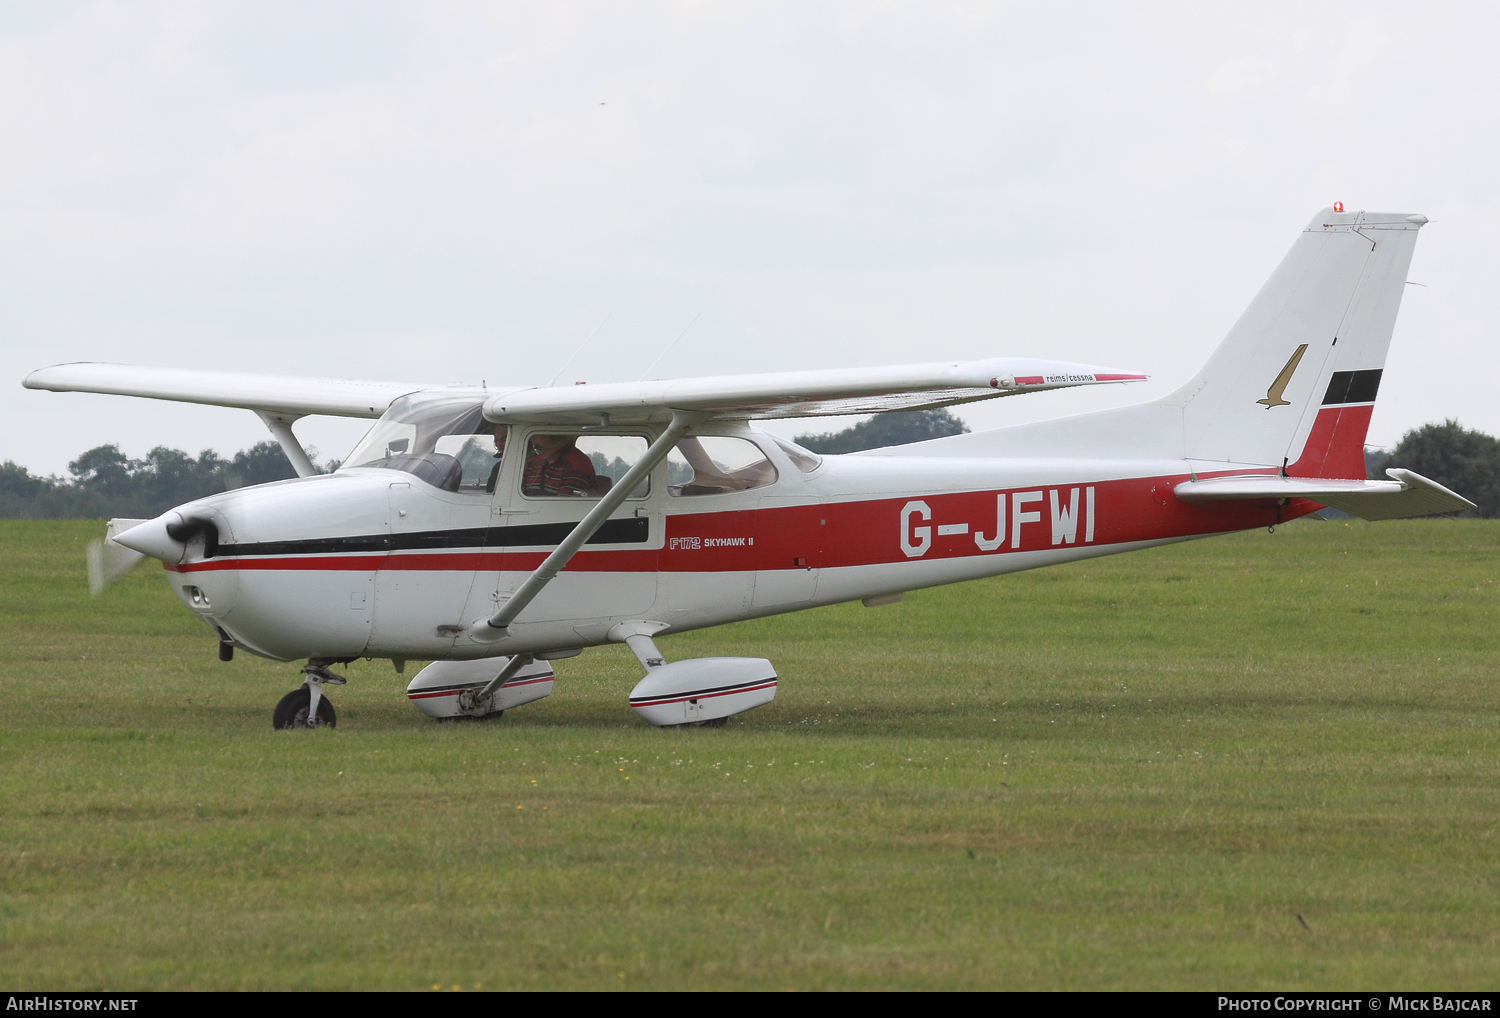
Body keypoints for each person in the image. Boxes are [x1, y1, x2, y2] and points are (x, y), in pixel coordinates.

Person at [522, 433, 598, 496]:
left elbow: (564, 503)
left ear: (556, 438)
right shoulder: (533, 463)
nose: (533, 441)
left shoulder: (577, 463)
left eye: (535, 436)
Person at [484, 423, 510, 494]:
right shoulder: (498, 468)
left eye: (504, 439)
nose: (499, 445)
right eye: (496, 440)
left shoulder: (532, 466)